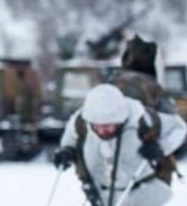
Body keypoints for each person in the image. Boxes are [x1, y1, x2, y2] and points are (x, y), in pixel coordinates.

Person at [53, 84, 187, 206]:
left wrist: (160, 147)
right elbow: (70, 138)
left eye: (108, 126)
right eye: (97, 126)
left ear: (120, 120)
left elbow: (179, 128)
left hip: (144, 193)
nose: (102, 131)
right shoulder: (81, 122)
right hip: (102, 195)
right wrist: (66, 151)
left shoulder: (141, 118)